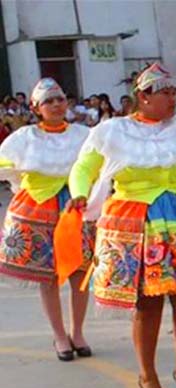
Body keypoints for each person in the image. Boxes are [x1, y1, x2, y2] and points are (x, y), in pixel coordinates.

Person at [67, 62, 176, 388]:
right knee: (147, 304)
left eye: (174, 92)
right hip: (134, 222)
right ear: (143, 97)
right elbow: (83, 166)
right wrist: (80, 192)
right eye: (165, 92)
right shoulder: (112, 131)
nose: (172, 98)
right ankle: (147, 374)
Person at [0, 78, 93, 361]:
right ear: (36, 108)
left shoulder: (83, 134)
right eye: (48, 102)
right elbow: (6, 165)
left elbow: (96, 165)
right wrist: (23, 184)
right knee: (48, 274)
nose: (55, 105)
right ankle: (60, 335)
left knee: (80, 271)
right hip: (38, 206)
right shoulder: (24, 137)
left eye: (59, 99)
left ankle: (78, 332)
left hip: (75, 204)